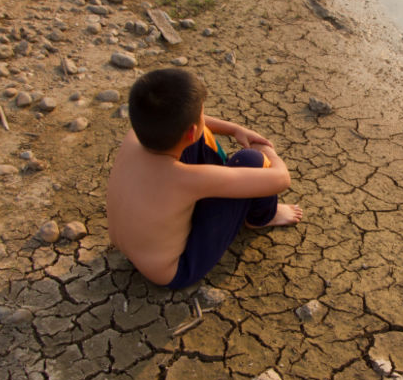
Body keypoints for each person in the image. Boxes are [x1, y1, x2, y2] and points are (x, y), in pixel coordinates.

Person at [106, 68, 303, 289]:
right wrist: (267, 150)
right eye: (202, 113)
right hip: (176, 270)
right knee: (251, 159)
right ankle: (263, 217)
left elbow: (190, 124)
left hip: (134, 249)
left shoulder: (135, 136)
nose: (204, 117)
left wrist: (234, 129)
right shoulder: (186, 180)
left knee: (198, 137)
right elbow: (281, 179)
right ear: (191, 130)